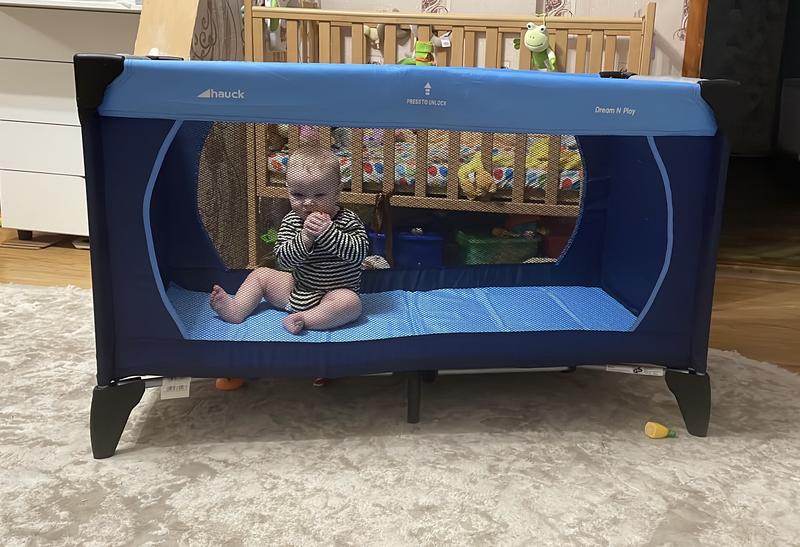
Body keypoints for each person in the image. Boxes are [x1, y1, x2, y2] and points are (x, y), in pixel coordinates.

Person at [210, 144, 369, 388]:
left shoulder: (348, 220)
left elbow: (358, 255)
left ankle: (304, 319)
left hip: (334, 295)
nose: (308, 203)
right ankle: (236, 309)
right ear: (287, 190)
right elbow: (284, 261)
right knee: (262, 274)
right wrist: (305, 238)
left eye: (319, 195)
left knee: (352, 303)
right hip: (298, 288)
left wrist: (328, 233)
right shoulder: (292, 221)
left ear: (337, 192)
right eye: (298, 195)